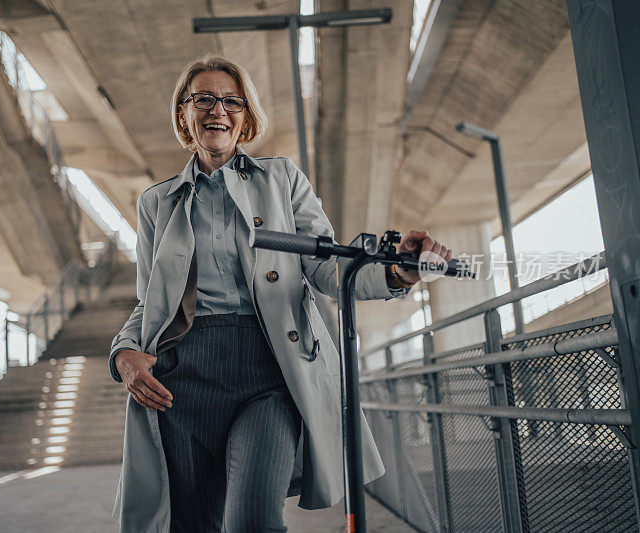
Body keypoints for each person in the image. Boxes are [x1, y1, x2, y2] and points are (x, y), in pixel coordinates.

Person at [108, 55, 452, 533]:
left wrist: (397, 271)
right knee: (191, 525)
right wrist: (123, 353)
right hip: (181, 381)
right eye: (203, 99)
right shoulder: (155, 202)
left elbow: (328, 264)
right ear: (183, 115)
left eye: (232, 100)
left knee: (252, 520)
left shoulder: (281, 179)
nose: (218, 110)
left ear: (246, 117)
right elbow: (150, 302)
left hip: (270, 372)